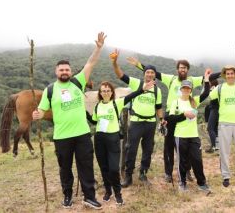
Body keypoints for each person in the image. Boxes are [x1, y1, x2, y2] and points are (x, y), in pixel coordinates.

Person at [32, 32, 106, 209]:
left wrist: (98, 48)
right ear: (56, 72)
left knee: (86, 167)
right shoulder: (49, 90)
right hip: (62, 136)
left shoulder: (78, 82)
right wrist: (38, 114)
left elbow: (91, 63)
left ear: (71, 71)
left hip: (82, 134)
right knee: (65, 169)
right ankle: (67, 195)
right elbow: (42, 110)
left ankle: (89, 197)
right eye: (61, 70)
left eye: (67, 69)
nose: (64, 72)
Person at [127, 57, 219, 183]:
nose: (183, 70)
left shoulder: (192, 80)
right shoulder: (170, 79)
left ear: (187, 70)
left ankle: (187, 171)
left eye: (185, 68)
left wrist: (223, 72)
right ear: (177, 69)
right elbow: (154, 73)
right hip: (170, 116)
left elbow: (207, 78)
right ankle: (168, 173)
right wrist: (138, 64)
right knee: (168, 146)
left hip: (186, 116)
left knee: (185, 145)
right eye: (181, 68)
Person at [91, 80, 154, 205]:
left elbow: (131, 96)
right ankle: (108, 191)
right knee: (104, 168)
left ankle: (118, 193)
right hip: (99, 139)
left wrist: (142, 89)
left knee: (113, 169)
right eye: (103, 91)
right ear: (100, 93)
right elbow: (94, 121)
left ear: (112, 92)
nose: (105, 93)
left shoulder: (117, 103)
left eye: (108, 90)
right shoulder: (97, 106)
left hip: (113, 139)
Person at [110, 50, 165, 187]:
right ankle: (128, 176)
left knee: (148, 149)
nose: (150, 74)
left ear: (154, 75)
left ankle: (143, 174)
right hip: (136, 122)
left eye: (152, 72)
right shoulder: (136, 83)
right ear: (144, 74)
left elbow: (158, 107)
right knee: (131, 149)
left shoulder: (157, 90)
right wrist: (114, 62)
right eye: (147, 72)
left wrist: (162, 120)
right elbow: (120, 75)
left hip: (150, 123)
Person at [167, 69, 211, 191]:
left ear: (191, 90)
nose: (186, 90)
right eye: (184, 88)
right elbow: (170, 119)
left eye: (188, 88)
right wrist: (184, 114)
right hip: (180, 135)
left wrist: (206, 79)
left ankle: (202, 183)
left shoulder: (194, 101)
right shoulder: (175, 102)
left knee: (197, 160)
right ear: (180, 89)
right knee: (182, 161)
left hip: (193, 135)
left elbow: (206, 93)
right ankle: (182, 183)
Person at [204, 79, 219, 153]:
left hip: (214, 110)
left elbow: (207, 98)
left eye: (209, 82)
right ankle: (217, 147)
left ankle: (214, 147)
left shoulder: (213, 89)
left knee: (210, 128)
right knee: (215, 129)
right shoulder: (218, 88)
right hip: (217, 110)